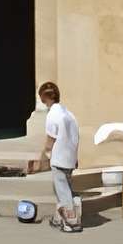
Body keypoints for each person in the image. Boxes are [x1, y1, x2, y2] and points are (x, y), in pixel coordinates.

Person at [35, 80, 82, 232]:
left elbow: (50, 140)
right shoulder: (70, 114)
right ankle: (59, 218)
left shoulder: (52, 115)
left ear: (43, 98)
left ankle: (72, 221)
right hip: (70, 157)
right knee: (66, 189)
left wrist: (42, 157)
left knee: (63, 192)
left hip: (59, 157)